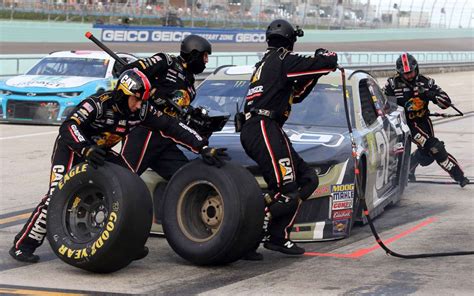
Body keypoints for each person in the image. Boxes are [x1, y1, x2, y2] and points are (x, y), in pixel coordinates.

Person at [9, 68, 228, 263]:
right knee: (55, 195)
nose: (140, 105)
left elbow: (172, 126)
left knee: (128, 186)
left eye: (143, 100)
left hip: (100, 151)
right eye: (136, 99)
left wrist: (202, 147)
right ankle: (23, 246)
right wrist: (85, 148)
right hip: (73, 148)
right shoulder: (97, 103)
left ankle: (125, 245)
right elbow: (68, 127)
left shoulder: (142, 110)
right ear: (123, 94)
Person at [239, 19, 338, 258]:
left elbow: (298, 93)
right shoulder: (282, 58)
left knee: (308, 180)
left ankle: (278, 237)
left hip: (266, 127)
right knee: (287, 190)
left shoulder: (268, 63)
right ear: (290, 40)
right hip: (262, 126)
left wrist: (316, 72)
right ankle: (244, 237)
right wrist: (324, 56)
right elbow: (325, 61)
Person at [120, 35, 212, 180]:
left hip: (166, 137)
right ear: (194, 54)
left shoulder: (191, 87)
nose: (206, 60)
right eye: (205, 56)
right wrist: (150, 93)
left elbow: (176, 114)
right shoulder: (166, 62)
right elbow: (129, 72)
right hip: (145, 131)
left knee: (186, 179)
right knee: (124, 178)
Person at [384, 53, 469, 187]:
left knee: (427, 154)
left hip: (424, 121)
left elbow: (446, 103)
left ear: (416, 69)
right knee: (435, 148)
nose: (409, 76)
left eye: (411, 72)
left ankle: (409, 169)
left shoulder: (426, 82)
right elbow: (386, 108)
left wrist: (432, 95)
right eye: (405, 74)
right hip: (406, 124)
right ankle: (460, 177)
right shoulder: (392, 85)